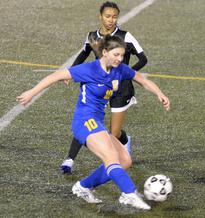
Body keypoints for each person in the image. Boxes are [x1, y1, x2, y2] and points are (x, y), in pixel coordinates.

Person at [17, 35, 170, 209]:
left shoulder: (119, 69)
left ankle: (83, 187)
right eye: (116, 55)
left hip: (97, 122)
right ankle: (129, 193)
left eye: (122, 55)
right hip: (84, 121)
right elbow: (55, 76)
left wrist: (160, 94)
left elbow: (142, 80)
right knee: (111, 157)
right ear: (105, 52)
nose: (120, 59)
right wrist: (31, 92)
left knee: (124, 161)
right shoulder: (89, 69)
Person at [60, 1, 148, 174]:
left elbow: (143, 59)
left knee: (113, 133)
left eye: (115, 16)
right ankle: (70, 159)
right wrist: (71, 73)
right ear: (100, 16)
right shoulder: (92, 36)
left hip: (121, 90)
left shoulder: (125, 36)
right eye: (108, 16)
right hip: (98, 87)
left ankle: (122, 144)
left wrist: (126, 75)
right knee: (88, 120)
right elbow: (83, 54)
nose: (111, 20)